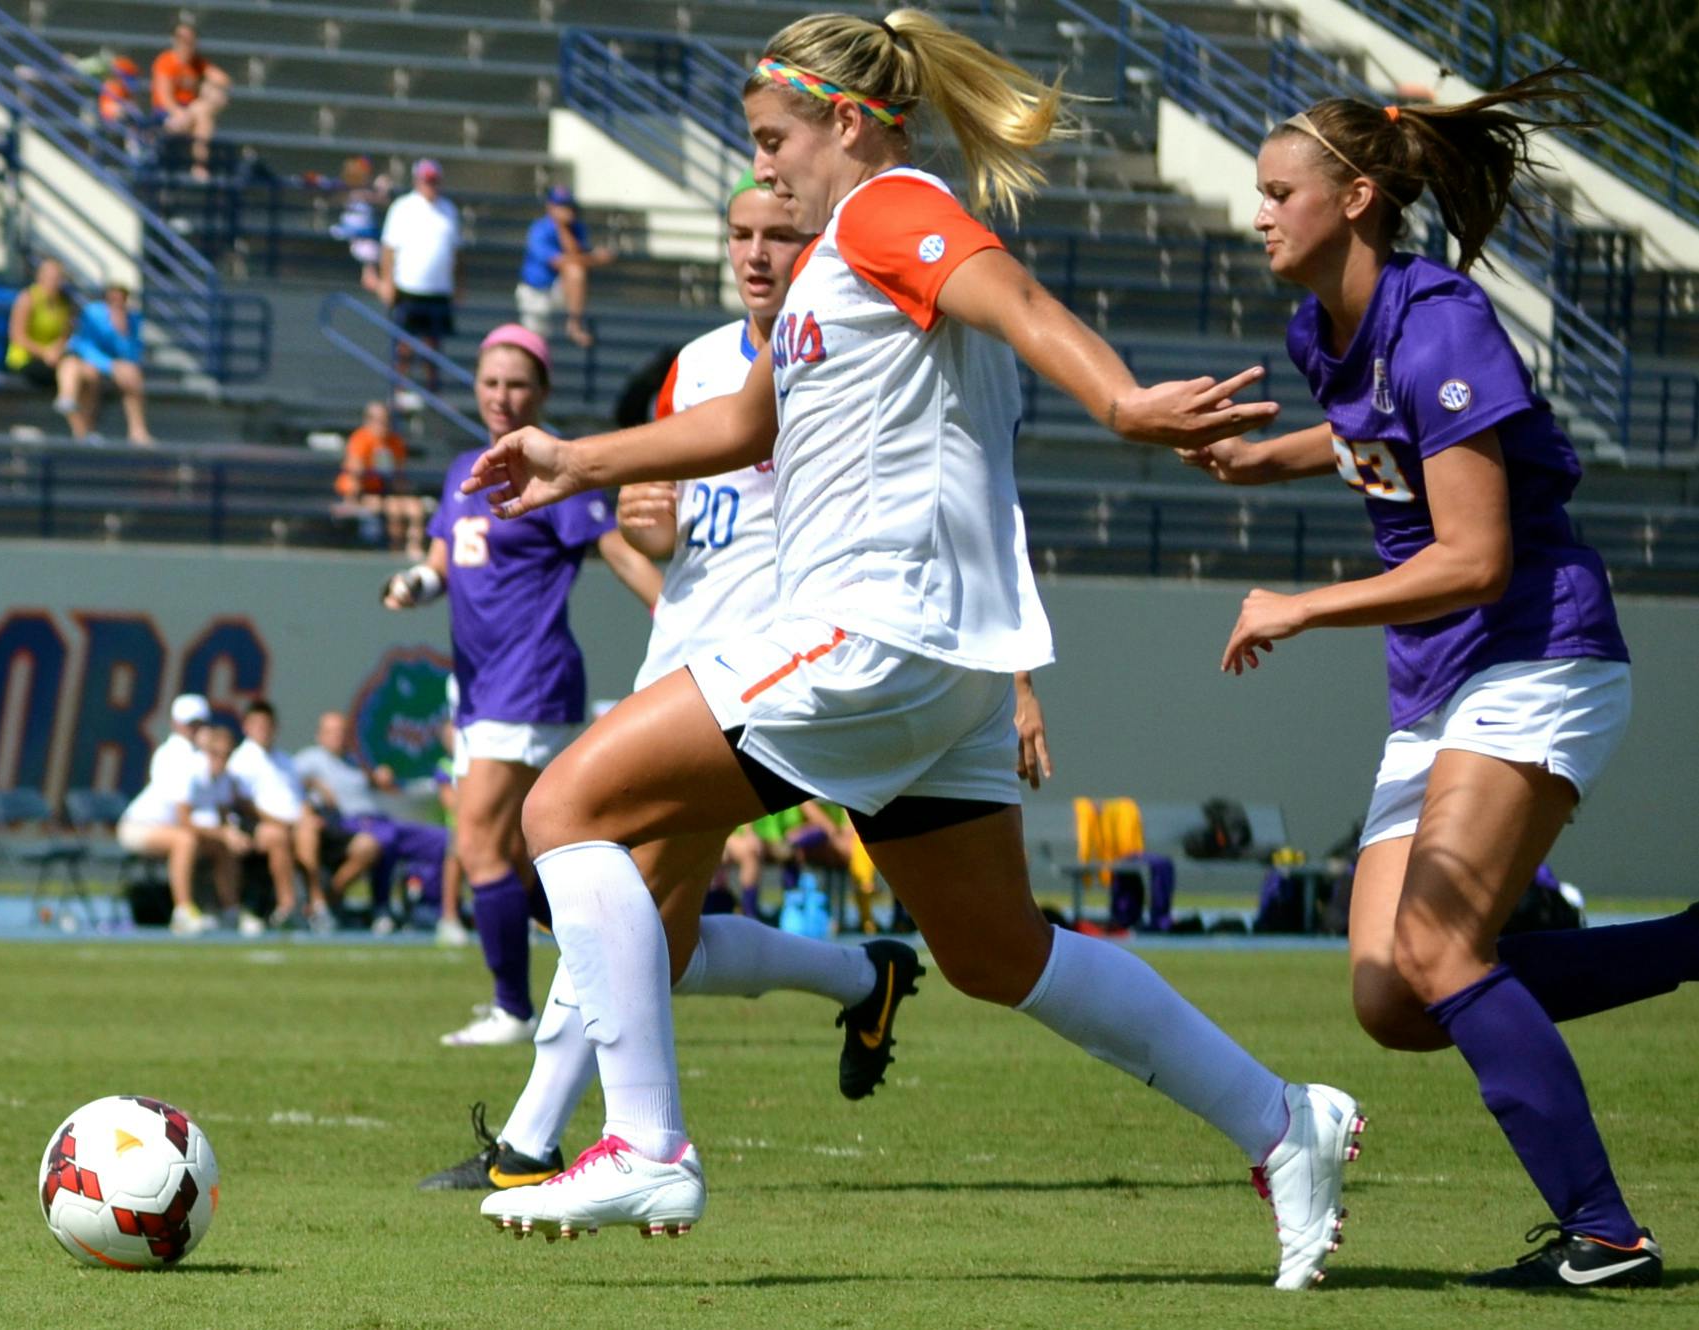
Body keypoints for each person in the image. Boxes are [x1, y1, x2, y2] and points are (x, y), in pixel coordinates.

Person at [458, 10, 1362, 1289]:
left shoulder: (888, 207)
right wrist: (571, 460)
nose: (760, 167)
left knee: (564, 805)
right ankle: (1284, 1119)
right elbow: (745, 422)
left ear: (841, 116)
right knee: (997, 955)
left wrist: (1118, 401)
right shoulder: (840, 259)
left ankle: (645, 1140)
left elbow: (1015, 293)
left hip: (874, 627)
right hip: (938, 659)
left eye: (771, 138)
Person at [1182, 74, 1698, 1291]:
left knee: (1437, 944)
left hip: (1534, 651)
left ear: (1354, 198)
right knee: (1392, 995)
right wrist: (1271, 459)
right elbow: (1374, 421)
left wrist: (1301, 604)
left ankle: (1606, 1235)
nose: (1254, 213)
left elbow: (1475, 558)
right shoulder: (1326, 326)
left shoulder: (1441, 321)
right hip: (1441, 683)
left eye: (1276, 193)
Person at [418, 171, 957, 1194]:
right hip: (681, 649)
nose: (756, 253)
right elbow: (667, 499)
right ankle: (861, 972)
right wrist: (646, 525)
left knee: (602, 895)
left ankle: (533, 1146)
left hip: (765, 671)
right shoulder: (700, 363)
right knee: (646, 938)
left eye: (781, 233)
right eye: (740, 233)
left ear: (824, 243)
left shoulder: (858, 356)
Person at [382, 324, 661, 1047]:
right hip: (477, 687)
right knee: (511, 855)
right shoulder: (462, 469)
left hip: (527, 675)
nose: (501, 397)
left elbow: (615, 550)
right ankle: (607, 959)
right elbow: (442, 560)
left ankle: (513, 1008)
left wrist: (671, 612)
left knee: (476, 841)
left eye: (516, 385)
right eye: (490, 383)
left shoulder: (550, 467)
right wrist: (414, 583)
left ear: (540, 393)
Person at [292, 710, 451, 934]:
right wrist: (314, 788)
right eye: (332, 732)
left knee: (443, 840)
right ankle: (381, 908)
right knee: (385, 839)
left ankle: (430, 909)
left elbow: (375, 787)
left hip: (379, 819)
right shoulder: (311, 759)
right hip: (348, 823)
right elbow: (288, 781)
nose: (338, 736)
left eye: (342, 731)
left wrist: (379, 779)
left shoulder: (354, 761)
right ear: (320, 736)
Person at [119, 720, 259, 936]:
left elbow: (222, 819)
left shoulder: (223, 778)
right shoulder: (189, 771)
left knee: (222, 847)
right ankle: (183, 912)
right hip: (137, 827)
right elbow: (185, 821)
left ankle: (231, 911)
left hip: (172, 830)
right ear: (206, 751)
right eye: (216, 753)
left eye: (227, 754)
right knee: (185, 840)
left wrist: (234, 835)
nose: (221, 759)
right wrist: (224, 833)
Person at [228, 699, 321, 930]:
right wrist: (282, 822)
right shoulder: (241, 760)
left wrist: (306, 816)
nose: (263, 730)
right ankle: (287, 906)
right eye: (257, 724)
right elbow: (244, 805)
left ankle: (318, 904)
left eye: (267, 725)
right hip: (257, 825)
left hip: (293, 824)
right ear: (246, 727)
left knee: (309, 830)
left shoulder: (286, 760)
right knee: (278, 836)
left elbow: (300, 798)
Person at [378, 159, 461, 412]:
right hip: (409, 287)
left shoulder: (449, 209)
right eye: (426, 179)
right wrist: (387, 282)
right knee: (404, 344)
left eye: (434, 179)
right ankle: (398, 391)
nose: (430, 184)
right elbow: (389, 250)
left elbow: (457, 252)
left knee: (433, 346)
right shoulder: (403, 208)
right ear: (417, 180)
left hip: (439, 289)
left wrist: (459, 284)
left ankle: (432, 392)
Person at [516, 185, 612, 349]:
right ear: (550, 207)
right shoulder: (539, 229)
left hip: (559, 289)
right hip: (536, 291)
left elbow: (575, 256)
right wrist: (595, 259)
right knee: (534, 343)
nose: (566, 210)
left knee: (576, 272)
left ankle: (574, 324)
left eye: (568, 206)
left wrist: (564, 229)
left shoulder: (577, 228)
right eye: (561, 206)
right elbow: (559, 261)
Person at [5, 257, 87, 439]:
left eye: (58, 277)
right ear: (40, 277)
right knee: (71, 367)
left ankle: (84, 425)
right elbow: (17, 335)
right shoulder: (28, 298)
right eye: (50, 276)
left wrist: (57, 350)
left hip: (54, 360)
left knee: (89, 374)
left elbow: (65, 334)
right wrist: (45, 352)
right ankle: (80, 429)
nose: (54, 280)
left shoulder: (64, 303)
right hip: (26, 359)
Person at [69, 284, 154, 445]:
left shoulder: (132, 318)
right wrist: (110, 365)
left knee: (132, 374)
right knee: (90, 375)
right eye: (112, 298)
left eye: (121, 298)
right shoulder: (92, 314)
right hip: (92, 364)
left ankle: (137, 430)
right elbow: (84, 346)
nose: (117, 302)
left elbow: (131, 353)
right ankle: (85, 430)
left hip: (115, 368)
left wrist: (122, 331)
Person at [335, 400, 424, 553]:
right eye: (378, 420)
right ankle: (395, 549)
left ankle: (414, 548)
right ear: (368, 421)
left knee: (416, 508)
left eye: (386, 420)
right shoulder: (360, 439)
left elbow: (397, 476)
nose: (383, 425)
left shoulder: (394, 441)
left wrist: (400, 488)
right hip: (361, 492)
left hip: (385, 491)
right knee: (394, 510)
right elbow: (355, 475)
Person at [151, 22, 230, 181]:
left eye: (189, 40)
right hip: (168, 115)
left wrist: (205, 86)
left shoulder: (197, 64)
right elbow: (164, 96)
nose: (185, 44)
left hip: (190, 113)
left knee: (211, 102)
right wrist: (178, 112)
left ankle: (199, 165)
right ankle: (200, 165)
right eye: (182, 39)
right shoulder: (166, 61)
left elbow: (224, 80)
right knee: (202, 115)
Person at [330, 155, 393, 300]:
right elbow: (381, 199)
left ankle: (378, 283)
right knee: (371, 255)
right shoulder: (355, 190)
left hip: (365, 233)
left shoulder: (361, 190)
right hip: (357, 235)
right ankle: (383, 289)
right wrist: (382, 189)